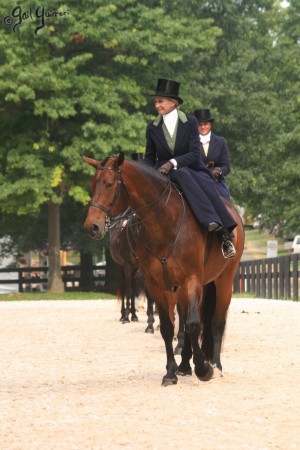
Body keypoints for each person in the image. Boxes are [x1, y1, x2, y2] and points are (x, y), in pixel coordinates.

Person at [143, 78, 236, 259]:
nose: (157, 105)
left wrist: (172, 163)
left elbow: (195, 154)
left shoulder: (191, 122)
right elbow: (149, 157)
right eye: (155, 101)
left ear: (173, 102)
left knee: (201, 182)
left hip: (189, 168)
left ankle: (223, 233)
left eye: (160, 101)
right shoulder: (151, 127)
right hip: (161, 173)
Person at [194, 108, 231, 200]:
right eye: (199, 125)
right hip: (197, 180)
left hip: (216, 181)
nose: (203, 127)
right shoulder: (191, 142)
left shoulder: (220, 141)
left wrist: (218, 170)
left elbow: (226, 166)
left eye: (205, 124)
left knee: (224, 198)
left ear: (210, 124)